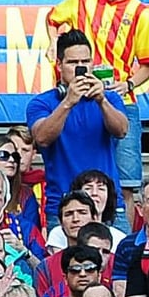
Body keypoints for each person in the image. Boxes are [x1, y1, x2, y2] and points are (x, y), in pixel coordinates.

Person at [48, 0, 149, 228]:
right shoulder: (82, 1)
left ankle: (124, 240)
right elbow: (52, 19)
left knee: (128, 182)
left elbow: (146, 65)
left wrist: (128, 84)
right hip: (78, 97)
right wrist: (52, 43)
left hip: (121, 101)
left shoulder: (141, 14)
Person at [27, 31, 127, 226]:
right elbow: (41, 138)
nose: (80, 67)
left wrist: (102, 100)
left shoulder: (110, 98)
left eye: (86, 61)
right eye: (73, 63)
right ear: (59, 65)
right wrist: (68, 102)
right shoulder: (41, 103)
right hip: (64, 206)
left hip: (108, 206)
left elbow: (122, 130)